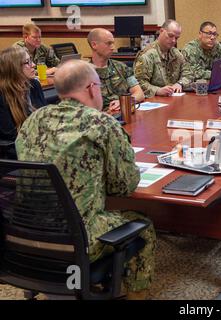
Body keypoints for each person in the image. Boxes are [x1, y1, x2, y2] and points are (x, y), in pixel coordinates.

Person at [15, 60, 156, 300]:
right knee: (142, 226)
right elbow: (125, 186)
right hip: (76, 236)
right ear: (92, 88)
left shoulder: (32, 120)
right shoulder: (101, 123)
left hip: (24, 233)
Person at [0, 46, 46, 159]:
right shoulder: (2, 95)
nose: (33, 65)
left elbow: (44, 117)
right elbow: (9, 136)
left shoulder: (34, 85)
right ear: (14, 68)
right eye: (27, 62)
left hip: (39, 143)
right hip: (17, 151)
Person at [87, 28, 144, 113]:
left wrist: (124, 102)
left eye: (113, 43)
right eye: (109, 43)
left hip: (124, 112)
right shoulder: (84, 73)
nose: (113, 48)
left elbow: (139, 94)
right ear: (94, 45)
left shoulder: (121, 67)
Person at [134, 20, 193, 97]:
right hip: (155, 100)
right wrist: (157, 90)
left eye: (177, 38)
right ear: (161, 31)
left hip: (173, 98)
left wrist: (180, 84)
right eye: (170, 36)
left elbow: (188, 74)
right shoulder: (147, 55)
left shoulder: (176, 53)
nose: (173, 41)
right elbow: (138, 83)